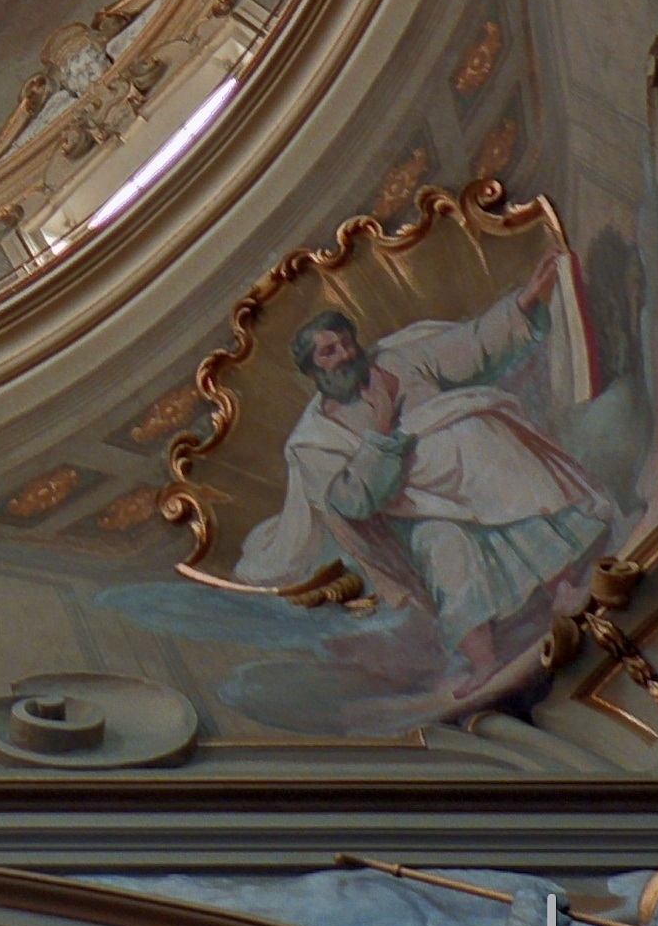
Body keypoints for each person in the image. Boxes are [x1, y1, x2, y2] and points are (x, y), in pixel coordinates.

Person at [232, 253, 614, 670]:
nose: (343, 355)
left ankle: (560, 588)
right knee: (444, 547)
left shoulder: (395, 359)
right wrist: (380, 426)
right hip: (414, 509)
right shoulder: (314, 441)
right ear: (311, 369)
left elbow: (470, 346)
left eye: (346, 343)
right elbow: (354, 501)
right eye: (327, 352)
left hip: (474, 469)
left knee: (491, 464)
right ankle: (483, 660)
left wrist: (523, 301)